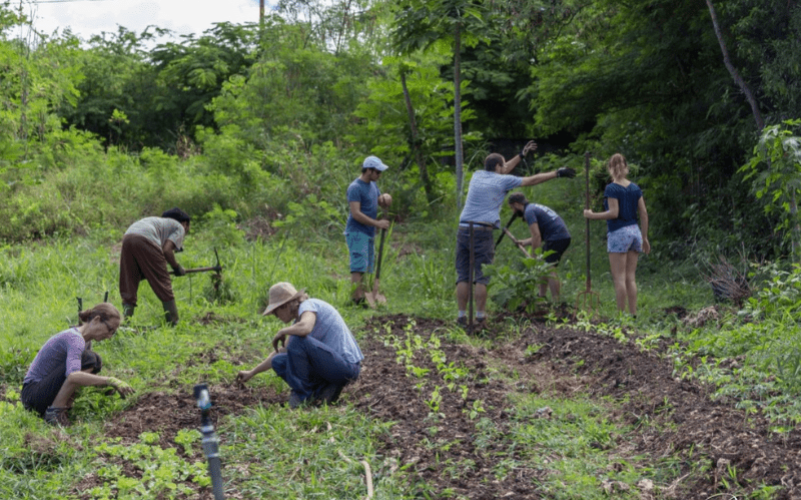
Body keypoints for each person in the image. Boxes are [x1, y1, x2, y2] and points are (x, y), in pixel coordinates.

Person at [455, 141, 575, 325]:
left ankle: (462, 316)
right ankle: (480, 317)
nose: (506, 169)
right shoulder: (503, 180)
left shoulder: (477, 175)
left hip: (463, 228)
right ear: (498, 167)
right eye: (503, 166)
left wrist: (521, 155)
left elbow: (504, 167)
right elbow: (532, 179)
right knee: (481, 276)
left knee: (463, 275)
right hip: (482, 229)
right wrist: (557, 173)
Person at [237, 282, 363, 408]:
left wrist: (283, 331)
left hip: (347, 368)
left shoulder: (308, 305)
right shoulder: (297, 321)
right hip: (332, 366)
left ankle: (303, 396)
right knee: (278, 361)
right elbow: (282, 351)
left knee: (296, 340)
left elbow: (305, 328)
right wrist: (252, 372)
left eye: (276, 312)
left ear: (285, 306)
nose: (276, 316)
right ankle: (322, 390)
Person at [20, 303, 135, 426]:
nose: (110, 336)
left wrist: (106, 389)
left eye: (113, 333)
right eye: (109, 329)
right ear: (97, 320)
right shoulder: (75, 339)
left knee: (95, 361)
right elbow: (73, 376)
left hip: (39, 394)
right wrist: (110, 380)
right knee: (90, 359)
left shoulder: (86, 341)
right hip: (32, 395)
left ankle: (62, 407)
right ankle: (55, 412)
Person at [583, 153, 650, 316]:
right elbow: (644, 213)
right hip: (635, 232)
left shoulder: (611, 188)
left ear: (610, 168)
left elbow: (614, 213)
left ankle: (621, 316)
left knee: (619, 278)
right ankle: (633, 314)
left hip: (619, 233)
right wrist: (645, 237)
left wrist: (592, 215)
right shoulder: (635, 188)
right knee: (630, 278)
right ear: (626, 167)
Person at [119, 208, 191, 325]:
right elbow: (167, 250)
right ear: (185, 223)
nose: (186, 231)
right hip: (146, 238)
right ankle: (173, 321)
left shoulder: (159, 223)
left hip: (128, 237)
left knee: (130, 279)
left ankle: (126, 322)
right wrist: (176, 267)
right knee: (163, 281)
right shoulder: (179, 227)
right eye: (187, 228)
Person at [507, 192, 571, 303]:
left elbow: (536, 236)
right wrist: (524, 242)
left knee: (548, 267)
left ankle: (556, 302)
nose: (513, 211)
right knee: (544, 265)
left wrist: (534, 255)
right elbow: (538, 235)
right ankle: (541, 297)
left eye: (512, 208)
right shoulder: (533, 207)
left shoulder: (528, 212)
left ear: (517, 204)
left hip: (557, 237)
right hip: (560, 236)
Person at [345, 156, 393, 306]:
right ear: (368, 171)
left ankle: (365, 294)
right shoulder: (355, 187)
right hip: (356, 232)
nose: (379, 175)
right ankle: (356, 299)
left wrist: (385, 198)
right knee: (358, 265)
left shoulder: (372, 185)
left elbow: (379, 199)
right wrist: (377, 223)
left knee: (366, 265)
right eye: (377, 172)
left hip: (368, 233)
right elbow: (356, 213)